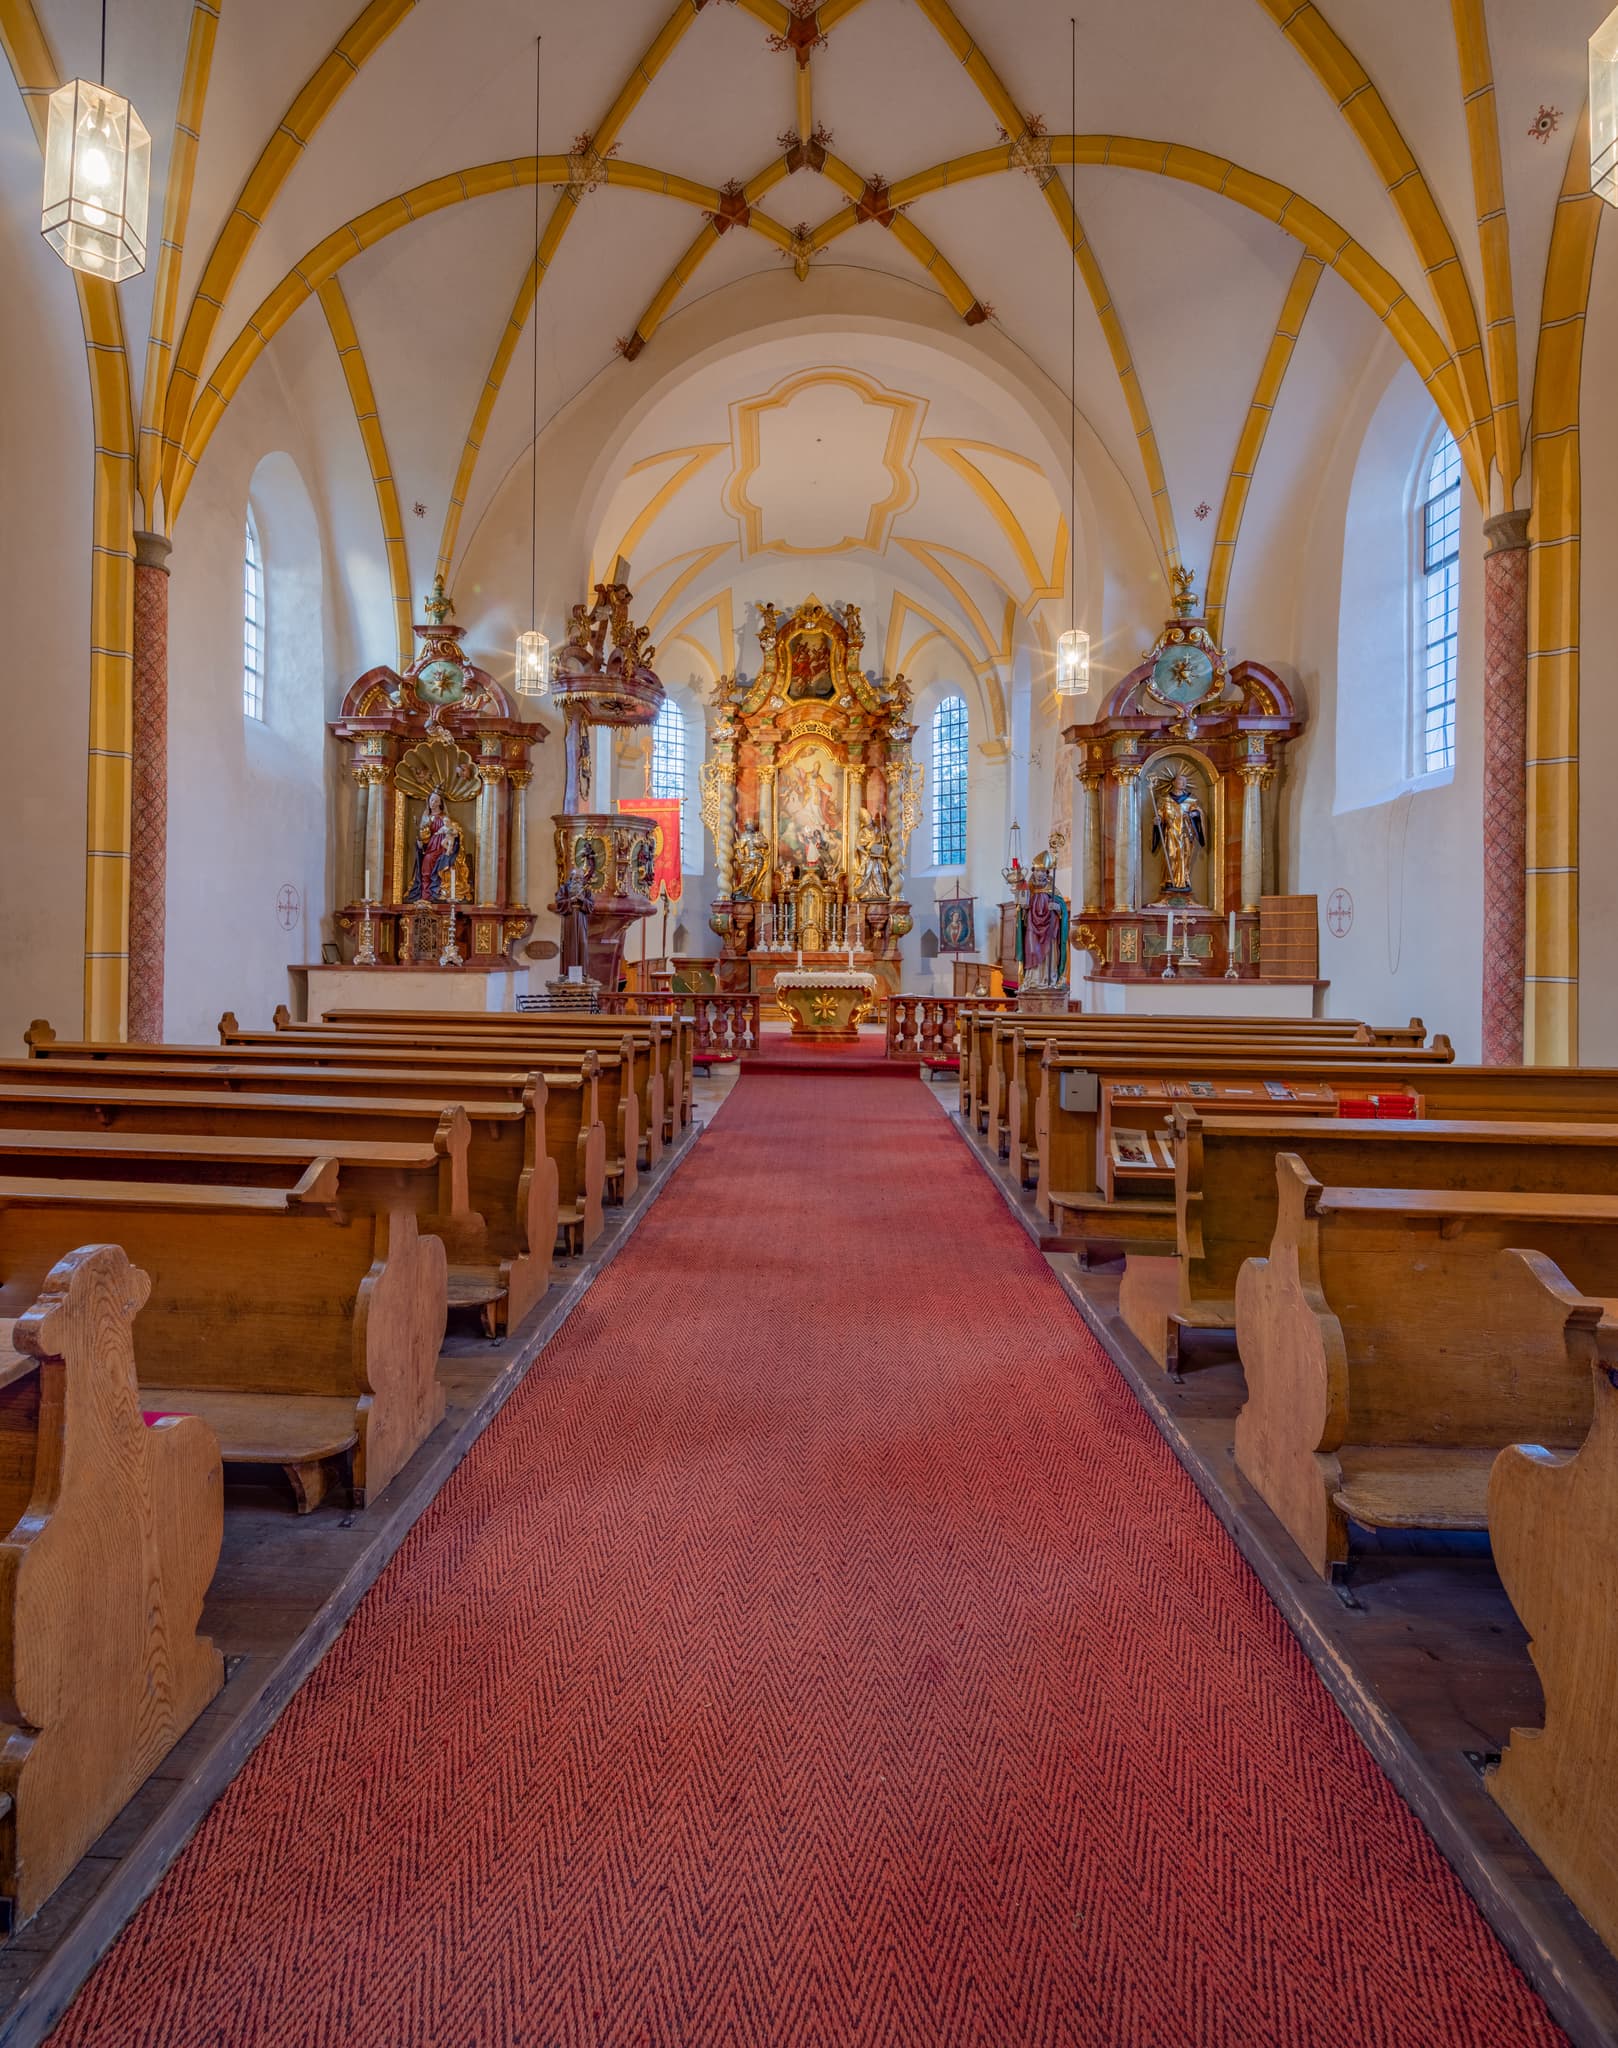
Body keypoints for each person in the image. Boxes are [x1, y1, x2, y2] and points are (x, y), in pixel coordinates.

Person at [406, 789, 469, 903]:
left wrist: (454, 834)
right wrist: (420, 842)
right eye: (431, 800)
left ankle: (436, 893)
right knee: (426, 865)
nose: (432, 802)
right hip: (430, 846)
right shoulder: (426, 817)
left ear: (440, 802)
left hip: (442, 846)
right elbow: (424, 834)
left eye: (435, 800)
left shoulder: (445, 817)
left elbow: (454, 831)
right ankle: (425, 895)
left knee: (435, 862)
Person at [1150, 769, 1206, 899]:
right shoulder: (1165, 800)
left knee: (1185, 856)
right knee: (1171, 855)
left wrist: (1192, 814)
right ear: (1173, 782)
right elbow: (1160, 815)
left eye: (1185, 781)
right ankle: (1170, 880)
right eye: (1180, 780)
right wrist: (1157, 820)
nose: (1183, 783)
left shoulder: (1191, 801)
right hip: (1171, 833)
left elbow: (1198, 814)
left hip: (1186, 833)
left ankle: (1183, 881)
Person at [553, 866, 595, 976]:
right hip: (569, 918)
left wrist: (583, 900)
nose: (578, 880)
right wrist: (570, 900)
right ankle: (568, 973)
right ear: (571, 878)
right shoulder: (564, 888)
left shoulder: (585, 890)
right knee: (570, 944)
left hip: (581, 918)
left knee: (582, 943)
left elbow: (591, 905)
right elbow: (559, 903)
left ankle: (582, 973)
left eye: (580, 878)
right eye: (576, 878)